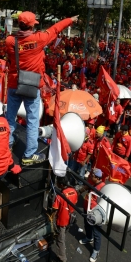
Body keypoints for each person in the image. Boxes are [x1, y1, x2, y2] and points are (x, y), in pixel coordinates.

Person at [5, 11, 78, 165]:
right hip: (31, 85)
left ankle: (8, 144)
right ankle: (29, 154)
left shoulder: (10, 41)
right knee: (32, 120)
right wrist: (70, 19)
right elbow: (56, 28)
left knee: (10, 117)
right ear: (31, 25)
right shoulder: (38, 39)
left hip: (13, 83)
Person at [80, 167, 105, 262]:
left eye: (92, 176)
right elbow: (85, 187)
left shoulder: (102, 187)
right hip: (87, 210)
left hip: (96, 214)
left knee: (97, 233)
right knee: (87, 225)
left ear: (98, 178)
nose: (90, 177)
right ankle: (89, 237)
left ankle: (96, 251)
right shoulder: (92, 182)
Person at [51, 174, 78, 262]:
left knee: (61, 240)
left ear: (61, 185)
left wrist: (51, 220)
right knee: (64, 232)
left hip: (62, 220)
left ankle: (62, 258)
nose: (57, 185)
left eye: (57, 183)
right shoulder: (74, 191)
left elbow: (55, 209)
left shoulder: (60, 196)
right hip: (70, 218)